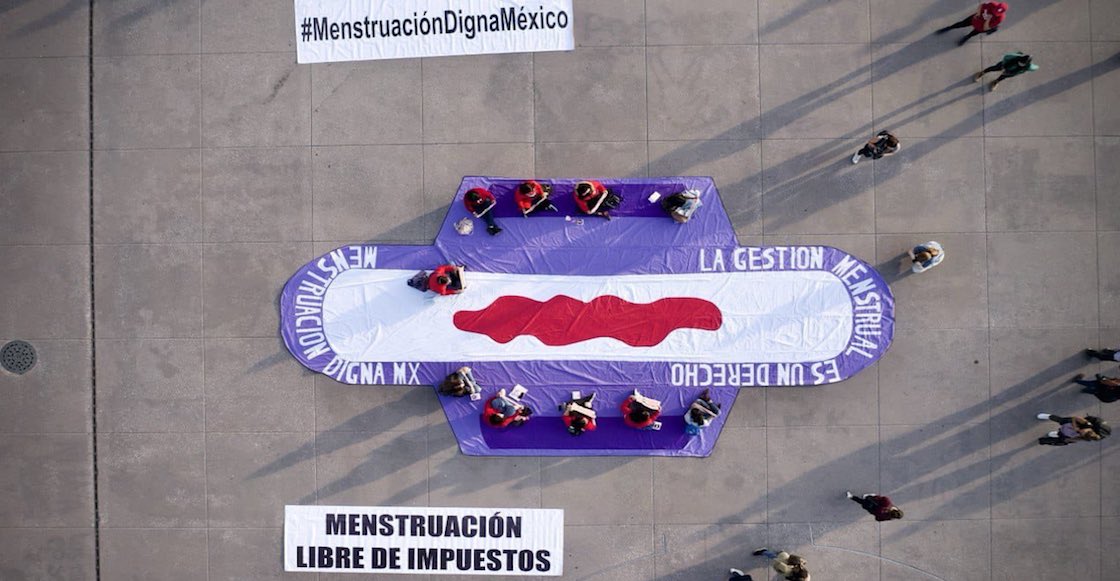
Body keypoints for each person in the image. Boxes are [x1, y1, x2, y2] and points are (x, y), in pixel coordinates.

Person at [937, 1, 1008, 46]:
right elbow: (981, 6)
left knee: (973, 33)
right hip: (975, 19)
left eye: (997, 13)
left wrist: (988, 20)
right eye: (995, 11)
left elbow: (986, 28)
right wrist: (978, 14)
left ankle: (966, 37)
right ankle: (949, 27)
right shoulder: (991, 4)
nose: (995, 13)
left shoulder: (1000, 18)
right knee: (961, 24)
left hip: (981, 27)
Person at [973, 51, 1038, 92]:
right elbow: (1006, 57)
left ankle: (996, 82)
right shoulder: (1015, 57)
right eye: (1020, 62)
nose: (1021, 64)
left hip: (1012, 72)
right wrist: (1003, 67)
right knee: (994, 68)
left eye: (1023, 64)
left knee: (1003, 77)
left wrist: (1009, 72)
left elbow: (1035, 68)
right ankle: (983, 72)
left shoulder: (1028, 66)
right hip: (1004, 65)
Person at [1035, 413, 1111, 445]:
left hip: (1070, 432)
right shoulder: (1087, 424)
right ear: (1089, 429)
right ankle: (1048, 416)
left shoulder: (1087, 436)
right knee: (1060, 420)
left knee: (1062, 438)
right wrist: (1075, 427)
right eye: (1082, 431)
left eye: (1081, 433)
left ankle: (1057, 434)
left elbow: (1079, 439)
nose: (1080, 431)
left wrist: (1071, 440)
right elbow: (1075, 417)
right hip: (1072, 424)